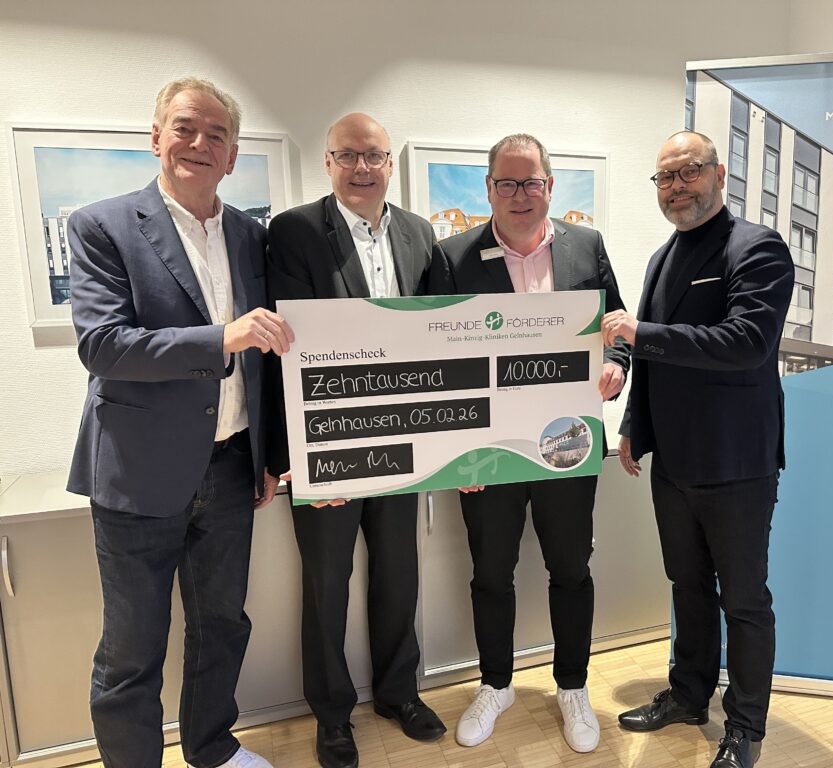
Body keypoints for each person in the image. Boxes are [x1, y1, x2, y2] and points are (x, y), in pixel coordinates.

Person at [67, 77, 292, 768]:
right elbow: (103, 346)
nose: (200, 143)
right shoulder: (101, 225)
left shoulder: (253, 236)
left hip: (231, 467)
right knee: (132, 647)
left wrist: (269, 455)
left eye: (217, 135)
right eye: (186, 128)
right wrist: (223, 337)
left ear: (232, 156)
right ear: (156, 137)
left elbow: (268, 361)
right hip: (138, 473)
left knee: (222, 625)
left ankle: (212, 748)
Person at [433, 133, 630, 754]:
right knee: (491, 573)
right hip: (487, 452)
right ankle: (496, 685)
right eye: (507, 183)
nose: (520, 195)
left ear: (550, 186)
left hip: (568, 442)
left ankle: (573, 686)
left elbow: (618, 327)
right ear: (488, 189)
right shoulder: (452, 256)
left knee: (570, 570)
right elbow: (434, 358)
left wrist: (617, 364)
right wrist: (454, 456)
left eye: (532, 182)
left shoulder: (586, 246)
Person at [602, 131, 794, 768]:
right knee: (686, 586)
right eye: (665, 177)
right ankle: (689, 695)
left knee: (744, 601)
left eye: (688, 172)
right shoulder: (663, 257)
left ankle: (745, 728)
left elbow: (747, 342)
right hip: (675, 463)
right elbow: (651, 358)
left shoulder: (757, 247)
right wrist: (634, 426)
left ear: (718, 174)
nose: (676, 186)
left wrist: (644, 332)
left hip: (737, 463)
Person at [264, 113, 446, 768]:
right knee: (327, 584)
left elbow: (438, 336)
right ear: (328, 162)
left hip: (403, 442)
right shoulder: (293, 232)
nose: (362, 167)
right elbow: (284, 351)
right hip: (328, 443)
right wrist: (297, 456)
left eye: (373, 156)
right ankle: (332, 714)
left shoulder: (420, 233)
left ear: (390, 163)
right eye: (348, 155)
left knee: (400, 573)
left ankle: (399, 693)